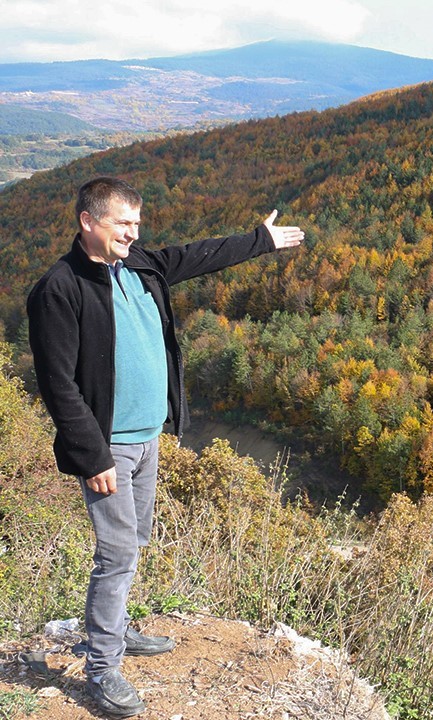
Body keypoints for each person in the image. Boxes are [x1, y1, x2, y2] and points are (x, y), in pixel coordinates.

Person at [26, 176, 304, 718]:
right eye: (122, 224)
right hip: (108, 448)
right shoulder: (59, 288)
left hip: (149, 436)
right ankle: (102, 667)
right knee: (119, 551)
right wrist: (92, 455)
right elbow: (57, 383)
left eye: (136, 223)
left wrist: (259, 241)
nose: (133, 233)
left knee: (138, 537)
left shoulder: (139, 265)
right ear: (88, 221)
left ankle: (117, 628)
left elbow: (195, 256)